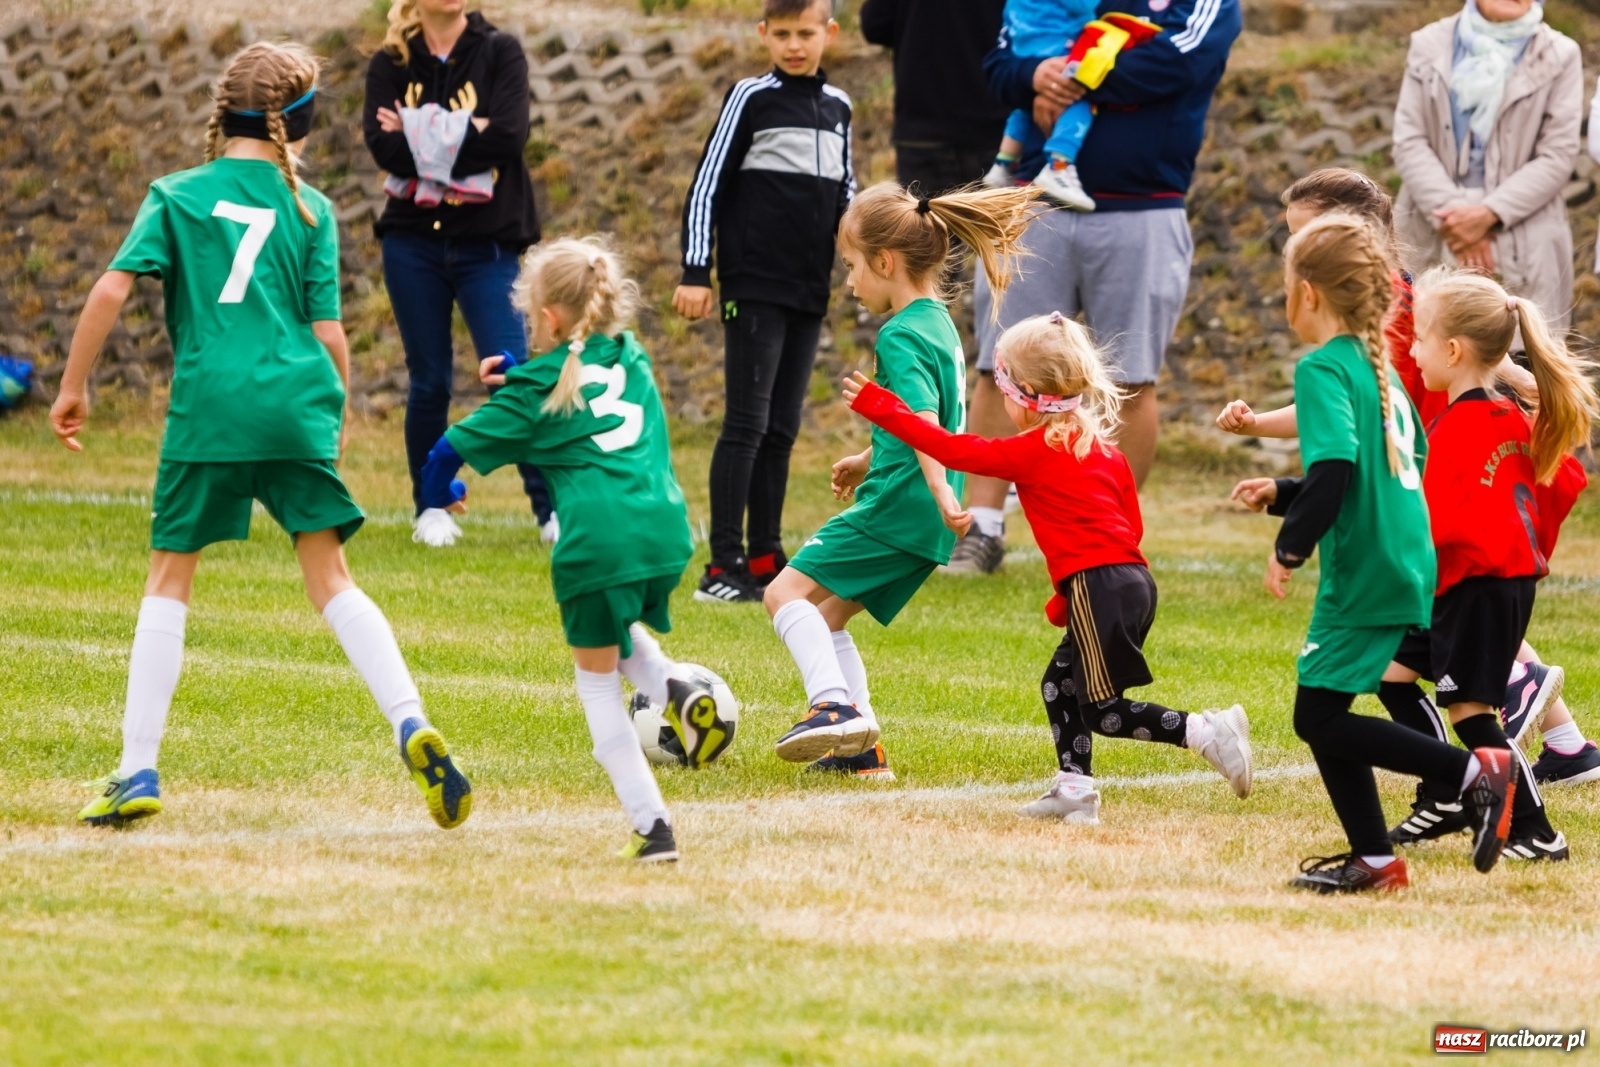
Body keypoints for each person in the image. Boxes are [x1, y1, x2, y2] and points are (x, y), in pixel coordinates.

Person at [54, 42, 471, 831]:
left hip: (211, 408)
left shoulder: (175, 195)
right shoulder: (309, 210)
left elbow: (111, 287)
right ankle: (411, 719)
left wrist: (75, 387)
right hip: (296, 404)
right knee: (332, 577)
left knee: (169, 577)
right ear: (300, 123)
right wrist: (335, 414)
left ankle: (138, 766)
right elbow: (330, 335)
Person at [1219, 167, 1599, 790]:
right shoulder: (1404, 297)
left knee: (1446, 630)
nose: (1295, 256)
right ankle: (1561, 744)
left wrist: (1261, 431)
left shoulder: (1393, 311)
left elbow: (1354, 405)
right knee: (1445, 632)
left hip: (1428, 487)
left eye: (1304, 237)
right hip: (1432, 482)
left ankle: (1486, 740)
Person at [843, 312, 1252, 822]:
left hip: (1101, 586)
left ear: (1029, 394)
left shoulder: (1033, 451)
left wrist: (879, 405)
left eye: (1007, 392)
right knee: (1059, 685)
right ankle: (1075, 791)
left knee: (1103, 710)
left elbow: (950, 449)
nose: (1005, 404)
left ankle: (1207, 732)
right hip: (1131, 583)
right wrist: (1076, 592)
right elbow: (1130, 526)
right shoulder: (1105, 451)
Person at [1235, 214, 1517, 893]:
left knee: (1319, 715)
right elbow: (1384, 474)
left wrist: (1290, 545)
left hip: (1364, 569)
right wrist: (1284, 492)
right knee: (1324, 711)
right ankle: (1377, 859)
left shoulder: (1324, 369)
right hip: (1404, 560)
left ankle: (1473, 773)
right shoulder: (1381, 372)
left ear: (1306, 293)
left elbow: (1334, 470)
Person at [419, 238, 718, 863]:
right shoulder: (631, 356)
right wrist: (517, 369)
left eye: (531, 320)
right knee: (617, 627)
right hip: (667, 531)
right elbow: (570, 377)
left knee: (597, 687)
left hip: (598, 543)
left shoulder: (533, 394)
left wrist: (440, 492)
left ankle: (653, 825)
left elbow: (447, 450)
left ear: (550, 319)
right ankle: (676, 690)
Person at [949, 0, 1241, 575]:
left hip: (1144, 208)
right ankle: (979, 530)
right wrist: (1036, 75)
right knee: (998, 363)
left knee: (1130, 376)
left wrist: (1074, 76)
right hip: (1034, 201)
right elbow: (1000, 66)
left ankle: (1113, 537)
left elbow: (1176, 67)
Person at [763, 182, 1036, 779]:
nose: (851, 281)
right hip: (919, 513)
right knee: (828, 617)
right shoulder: (937, 322)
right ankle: (861, 749)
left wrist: (938, 489)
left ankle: (832, 708)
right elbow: (923, 417)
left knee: (782, 595)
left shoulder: (900, 333)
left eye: (852, 266)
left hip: (901, 507)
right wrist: (868, 457)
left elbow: (923, 420)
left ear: (885, 262)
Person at [1374, 267, 1596, 862]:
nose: (1412, 351)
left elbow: (1429, 525)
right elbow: (1562, 482)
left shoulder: (1460, 430)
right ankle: (1449, 791)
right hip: (1486, 582)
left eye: (1419, 338)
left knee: (1473, 712)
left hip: (1478, 587)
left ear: (1452, 350)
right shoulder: (1509, 418)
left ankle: (1536, 832)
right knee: (1391, 674)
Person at [674, 0, 855, 603]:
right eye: (782, 35)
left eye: (806, 33)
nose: (795, 45)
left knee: (782, 428)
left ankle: (763, 555)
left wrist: (870, 263)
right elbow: (707, 184)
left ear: (829, 33)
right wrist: (696, 270)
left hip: (809, 288)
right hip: (753, 284)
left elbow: (846, 205)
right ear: (764, 36)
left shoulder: (839, 109)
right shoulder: (750, 97)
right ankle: (722, 566)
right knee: (746, 424)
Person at [363, 0, 552, 548]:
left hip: (487, 239)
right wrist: (467, 129)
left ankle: (550, 512)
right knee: (430, 381)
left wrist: (418, 127)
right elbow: (384, 148)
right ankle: (432, 505)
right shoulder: (390, 62)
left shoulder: (500, 50)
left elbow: (509, 136)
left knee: (511, 378)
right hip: (411, 242)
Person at [1392, 0, 1582, 331]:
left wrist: (1486, 215)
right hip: (1432, 228)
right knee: (1424, 347)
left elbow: (1558, 154)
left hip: (1524, 239)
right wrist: (1456, 217)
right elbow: (1409, 140)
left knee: (1520, 359)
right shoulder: (1429, 43)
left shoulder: (1560, 54)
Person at [859, 0, 1008, 197]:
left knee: (924, 226)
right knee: (998, 226)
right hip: (997, 130)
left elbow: (875, 25)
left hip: (924, 128)